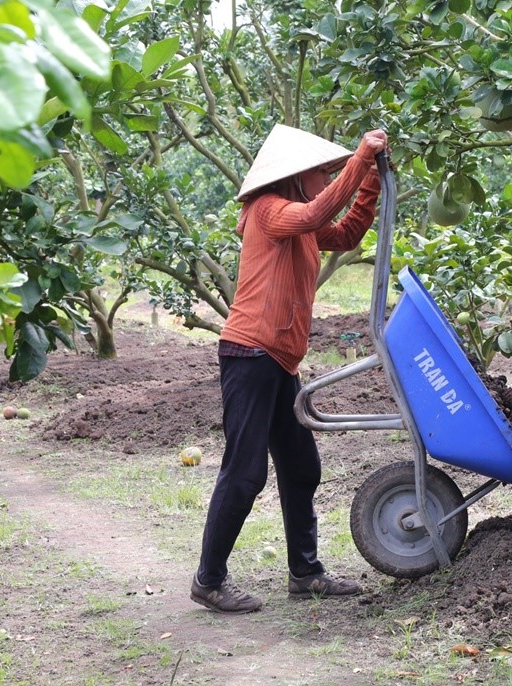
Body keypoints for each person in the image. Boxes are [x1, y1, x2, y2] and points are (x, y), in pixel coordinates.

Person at [190, 125, 388, 613]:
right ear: (297, 177)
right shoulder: (270, 211)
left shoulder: (298, 222)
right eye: (321, 171)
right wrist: (361, 157)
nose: (325, 178)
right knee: (245, 472)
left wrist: (370, 184)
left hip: (278, 359)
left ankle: (305, 573)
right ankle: (208, 580)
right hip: (250, 353)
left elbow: (343, 232)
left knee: (301, 467)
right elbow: (321, 211)